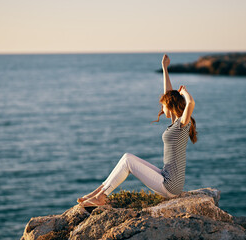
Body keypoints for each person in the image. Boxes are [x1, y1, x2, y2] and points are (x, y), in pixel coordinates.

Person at [78, 54, 197, 207]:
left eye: (164, 105)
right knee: (127, 157)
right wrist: (164, 69)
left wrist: (184, 93)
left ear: (171, 105)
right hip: (166, 177)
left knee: (128, 162)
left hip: (170, 186)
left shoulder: (182, 124)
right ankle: (97, 193)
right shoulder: (176, 123)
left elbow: (191, 103)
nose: (162, 108)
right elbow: (168, 92)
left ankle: (102, 197)